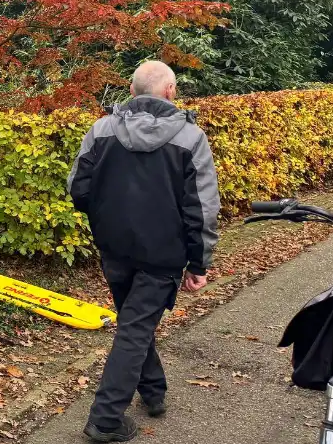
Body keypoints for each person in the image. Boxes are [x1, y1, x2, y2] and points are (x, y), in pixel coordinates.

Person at [67, 61, 220, 442]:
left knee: (135, 323)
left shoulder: (102, 129)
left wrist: (107, 219)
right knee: (135, 328)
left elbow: (78, 188)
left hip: (115, 248)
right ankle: (105, 420)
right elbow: (201, 208)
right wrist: (198, 262)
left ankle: (153, 392)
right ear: (170, 91)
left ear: (132, 91)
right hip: (162, 255)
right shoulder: (190, 138)